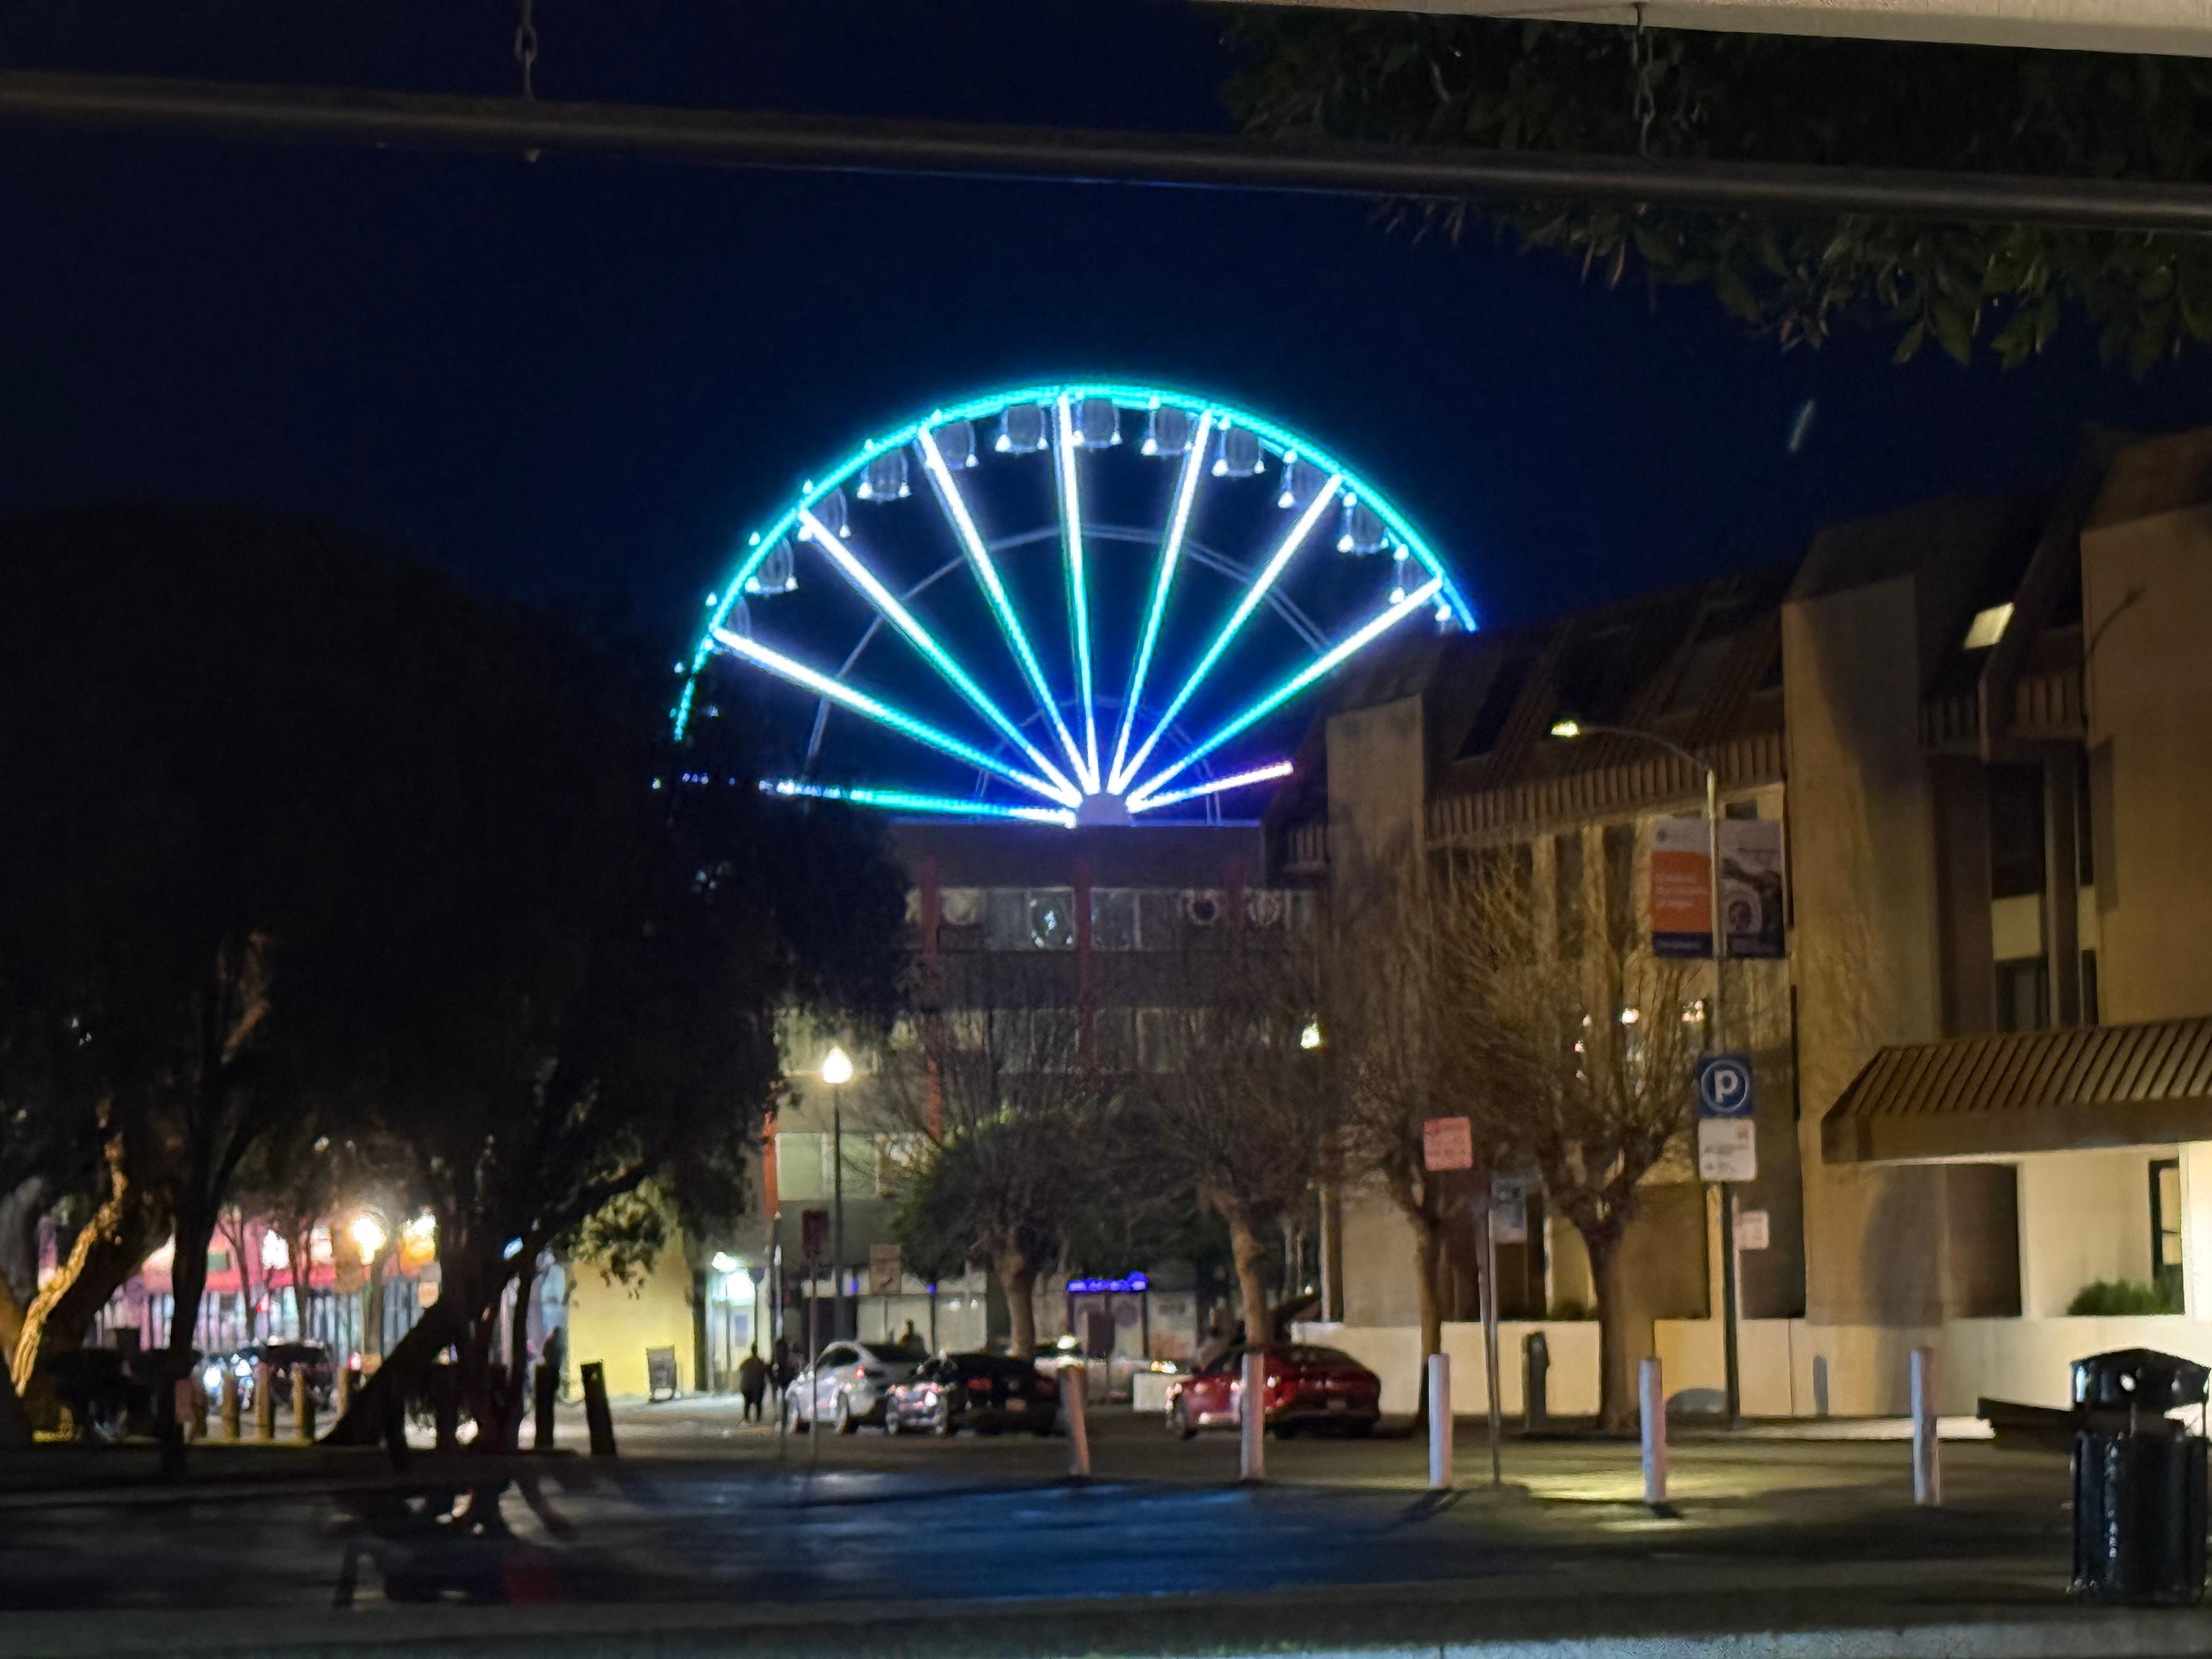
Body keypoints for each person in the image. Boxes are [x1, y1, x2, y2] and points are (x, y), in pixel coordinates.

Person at [736, 1345, 768, 1424]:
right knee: (758, 1404)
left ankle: (747, 1418)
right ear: (757, 1350)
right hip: (757, 1387)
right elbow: (764, 1372)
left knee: (747, 1403)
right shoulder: (760, 1362)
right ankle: (758, 1418)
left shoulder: (747, 1362)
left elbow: (741, 1368)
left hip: (748, 1387)